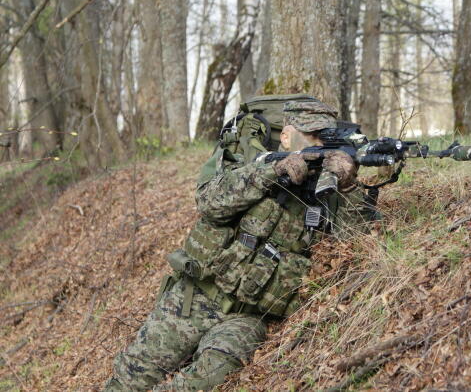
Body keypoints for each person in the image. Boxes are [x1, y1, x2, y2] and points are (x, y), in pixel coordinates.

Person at [104, 100, 373, 391]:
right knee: (130, 379)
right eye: (312, 135)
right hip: (196, 297)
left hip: (247, 317)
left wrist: (348, 188)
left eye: (326, 136)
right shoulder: (250, 164)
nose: (320, 143)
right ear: (286, 135)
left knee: (207, 377)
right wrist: (273, 172)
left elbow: (351, 247)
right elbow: (210, 203)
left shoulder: (332, 185)